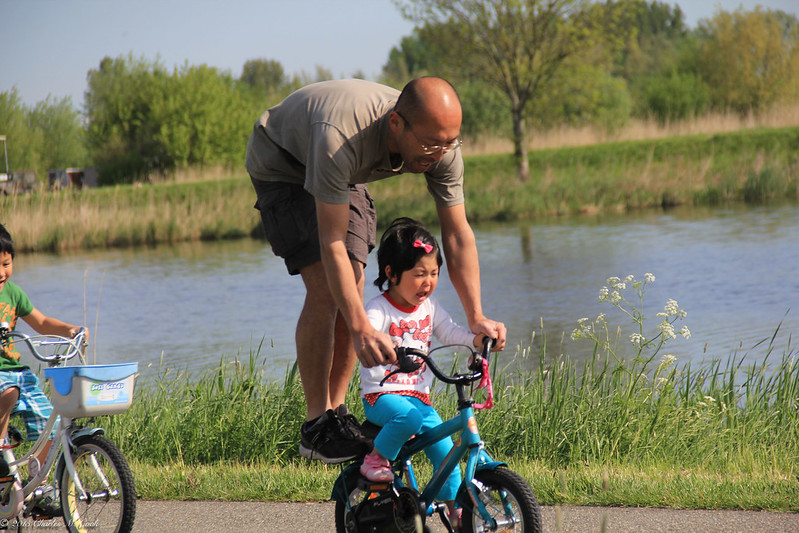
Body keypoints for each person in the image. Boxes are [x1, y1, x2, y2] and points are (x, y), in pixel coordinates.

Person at [246, 77, 506, 464]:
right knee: (331, 289)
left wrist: (476, 316)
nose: (439, 153)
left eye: (449, 142)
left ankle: (338, 415)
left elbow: (456, 234)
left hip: (343, 172)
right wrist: (361, 328)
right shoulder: (340, 137)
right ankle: (317, 426)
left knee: (351, 281)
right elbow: (331, 241)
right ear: (397, 124)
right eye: (431, 144)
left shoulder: (442, 146)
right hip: (284, 163)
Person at [360, 217, 483, 529]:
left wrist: (477, 342)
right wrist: (383, 341)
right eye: (419, 274)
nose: (428, 282)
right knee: (410, 419)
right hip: (381, 396)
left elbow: (451, 332)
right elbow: (368, 332)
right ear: (391, 273)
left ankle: (455, 509)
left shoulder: (429, 307)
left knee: (448, 455)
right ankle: (375, 459)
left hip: (419, 398)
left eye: (434, 273)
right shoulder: (379, 308)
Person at [0, 223, 86, 518]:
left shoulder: (12, 292)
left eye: (6, 264)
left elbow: (41, 322)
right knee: (7, 392)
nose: (1, 272)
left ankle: (39, 488)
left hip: (18, 371)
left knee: (46, 422)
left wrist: (70, 330)